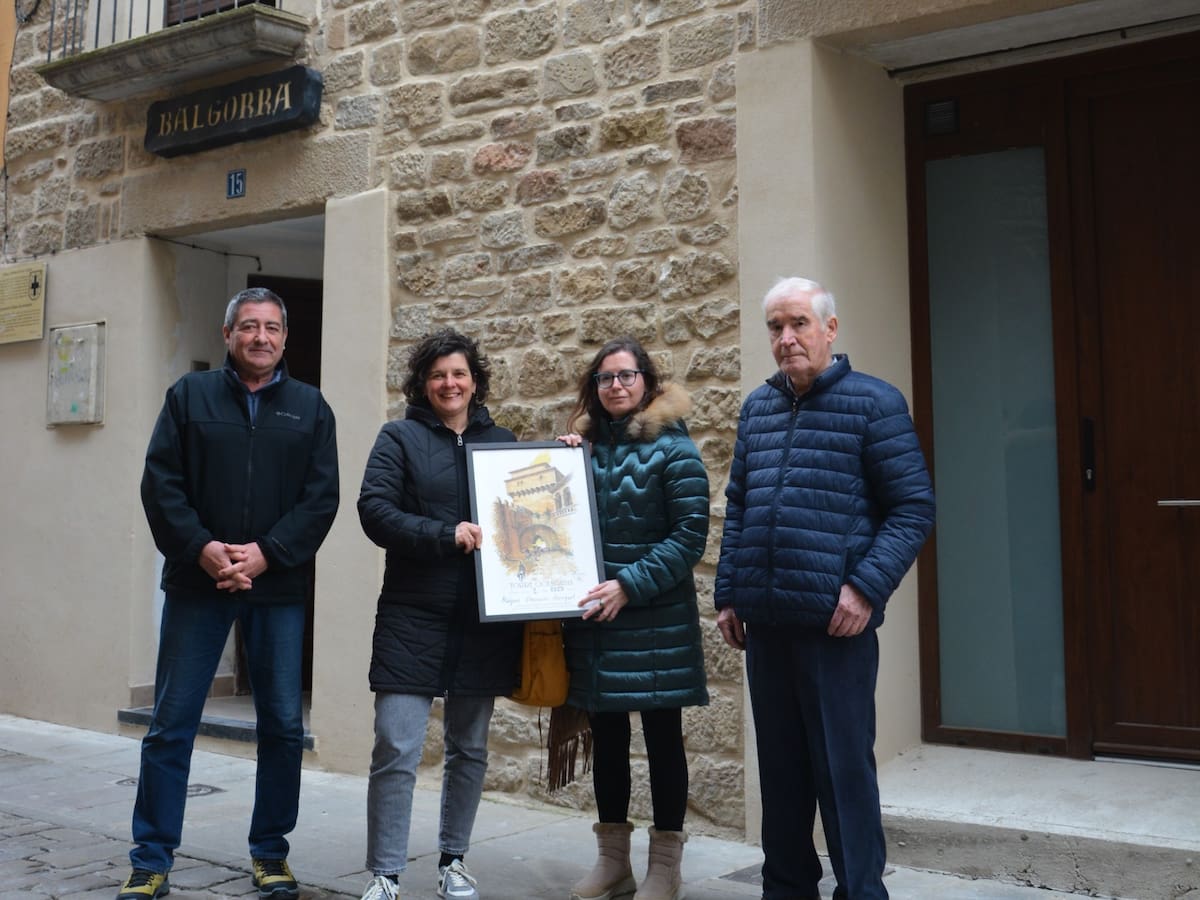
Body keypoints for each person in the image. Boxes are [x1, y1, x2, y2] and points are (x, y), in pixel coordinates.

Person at [714, 278, 935, 900]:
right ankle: (785, 890)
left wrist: (864, 589)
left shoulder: (874, 403)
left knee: (843, 775)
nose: (786, 339)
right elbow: (739, 504)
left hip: (837, 627)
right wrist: (729, 591)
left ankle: (862, 892)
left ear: (829, 330)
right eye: (776, 328)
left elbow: (913, 507)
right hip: (767, 624)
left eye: (799, 324)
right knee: (782, 777)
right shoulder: (758, 408)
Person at [119, 287, 339, 900]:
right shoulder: (188, 398)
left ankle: (270, 853)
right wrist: (202, 549)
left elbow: (321, 499)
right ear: (227, 335)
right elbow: (160, 484)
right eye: (248, 327)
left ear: (285, 338)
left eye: (271, 327)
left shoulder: (311, 408)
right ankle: (151, 857)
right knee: (170, 724)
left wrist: (267, 553)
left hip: (278, 587)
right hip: (198, 583)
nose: (260, 337)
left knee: (281, 728)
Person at [356, 328, 523, 900]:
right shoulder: (398, 438)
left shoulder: (503, 442)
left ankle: (454, 860)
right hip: (412, 615)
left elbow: (534, 508)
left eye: (459, 374)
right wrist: (441, 535)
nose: (449, 384)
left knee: (470, 748)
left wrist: (565, 458)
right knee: (396, 746)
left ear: (475, 381)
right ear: (422, 384)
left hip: (482, 620)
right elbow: (374, 512)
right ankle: (385, 871)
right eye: (437, 375)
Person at [559, 337, 710, 900]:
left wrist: (630, 584)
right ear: (594, 387)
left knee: (664, 741)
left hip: (656, 624)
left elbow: (689, 536)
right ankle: (613, 863)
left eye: (625, 376)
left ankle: (665, 869)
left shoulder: (676, 451)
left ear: (647, 382)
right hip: (598, 623)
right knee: (610, 742)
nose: (615, 386)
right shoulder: (583, 448)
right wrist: (560, 463)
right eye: (605, 379)